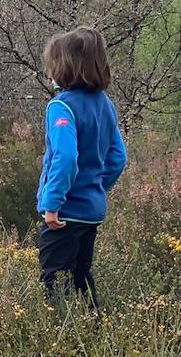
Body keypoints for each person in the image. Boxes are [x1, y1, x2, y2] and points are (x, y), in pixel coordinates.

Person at [36, 26, 128, 309]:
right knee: (80, 275)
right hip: (91, 211)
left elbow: (65, 157)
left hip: (65, 213)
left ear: (64, 68)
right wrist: (97, 189)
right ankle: (94, 328)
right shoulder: (106, 105)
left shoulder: (61, 107)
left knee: (53, 280)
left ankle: (60, 339)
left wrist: (53, 204)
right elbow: (117, 158)